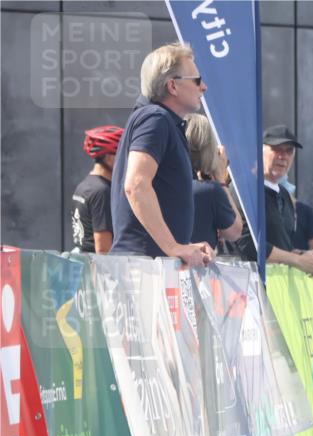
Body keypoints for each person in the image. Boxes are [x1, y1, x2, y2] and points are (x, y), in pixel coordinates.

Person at [110, 42, 214, 267]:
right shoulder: (155, 119)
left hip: (149, 262)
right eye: (196, 80)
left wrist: (180, 246)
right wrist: (174, 247)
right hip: (145, 266)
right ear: (172, 86)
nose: (203, 87)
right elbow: (136, 184)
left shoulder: (160, 120)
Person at [235, 125, 313, 275]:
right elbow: (246, 243)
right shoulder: (243, 188)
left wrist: (309, 259)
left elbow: (283, 246)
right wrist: (297, 260)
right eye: (277, 148)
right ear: (259, 150)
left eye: (289, 151)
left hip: (276, 290)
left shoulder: (283, 194)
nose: (283, 156)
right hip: (247, 288)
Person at [185, 114, 243, 250]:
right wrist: (221, 179)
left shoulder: (163, 182)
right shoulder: (209, 191)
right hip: (195, 267)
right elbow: (234, 232)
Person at [71, 125, 123, 253]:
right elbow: (103, 249)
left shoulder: (85, 185)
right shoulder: (102, 191)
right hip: (97, 269)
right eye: (122, 156)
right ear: (111, 158)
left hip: (83, 263)